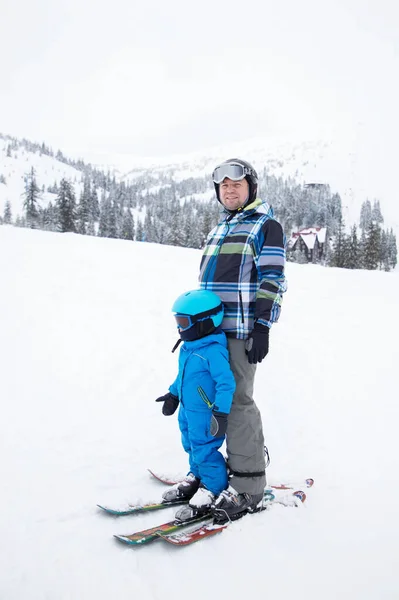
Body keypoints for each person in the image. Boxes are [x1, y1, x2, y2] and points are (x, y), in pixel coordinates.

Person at [199, 158, 286, 522]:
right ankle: (216, 475)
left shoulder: (267, 226)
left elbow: (272, 278)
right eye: (223, 185)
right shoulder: (221, 227)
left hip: (240, 332)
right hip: (209, 333)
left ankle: (249, 486)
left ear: (252, 187)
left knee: (237, 403)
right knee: (206, 399)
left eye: (237, 183)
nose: (230, 189)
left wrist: (262, 326)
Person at [155, 289, 236, 521]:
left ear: (204, 322)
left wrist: (220, 413)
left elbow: (226, 384)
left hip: (205, 413)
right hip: (188, 410)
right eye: (177, 321)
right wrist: (173, 394)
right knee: (190, 444)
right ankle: (197, 476)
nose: (179, 328)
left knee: (204, 448)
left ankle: (213, 487)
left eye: (183, 322)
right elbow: (183, 376)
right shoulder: (188, 347)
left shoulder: (213, 351)